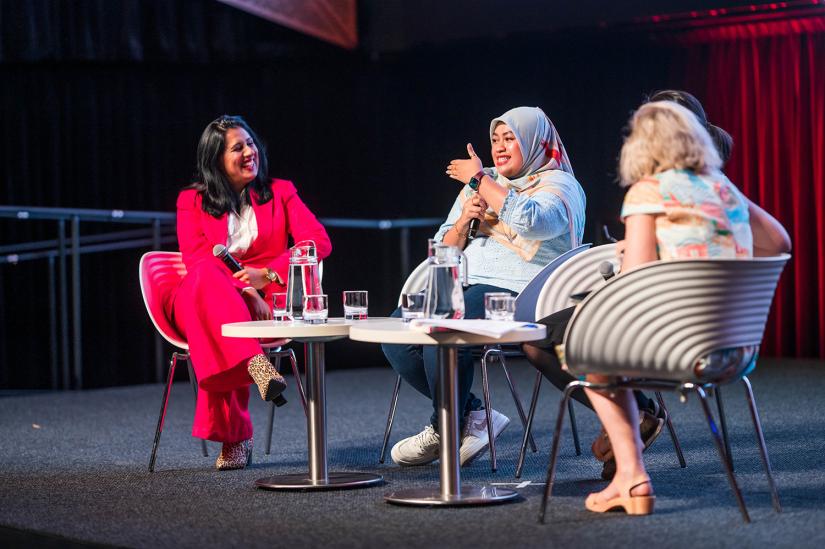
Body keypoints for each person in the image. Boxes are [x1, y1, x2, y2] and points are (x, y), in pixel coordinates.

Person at [580, 99, 790, 515]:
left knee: (589, 356)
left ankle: (631, 477)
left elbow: (633, 281)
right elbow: (779, 243)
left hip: (679, 350)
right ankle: (629, 477)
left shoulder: (649, 191)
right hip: (735, 352)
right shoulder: (724, 188)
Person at [382, 106, 586, 467]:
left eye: (511, 139)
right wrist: (463, 221)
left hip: (521, 293)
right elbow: (442, 250)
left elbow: (535, 222)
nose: (500, 148)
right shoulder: (486, 179)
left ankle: (445, 426)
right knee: (395, 335)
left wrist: (480, 181)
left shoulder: (560, 185)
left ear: (535, 143)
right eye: (495, 140)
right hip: (462, 285)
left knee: (445, 330)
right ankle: (473, 417)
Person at [172, 115, 332, 470]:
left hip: (262, 303)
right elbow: (196, 259)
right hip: (203, 296)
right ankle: (255, 364)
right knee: (205, 273)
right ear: (216, 159)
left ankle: (236, 436)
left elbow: (318, 242)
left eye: (250, 143)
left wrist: (268, 273)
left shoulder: (281, 191)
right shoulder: (192, 201)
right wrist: (245, 290)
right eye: (237, 147)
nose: (249, 152)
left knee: (214, 329)